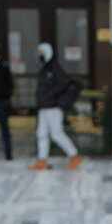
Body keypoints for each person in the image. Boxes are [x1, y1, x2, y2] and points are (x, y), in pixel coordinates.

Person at [28, 42, 83, 171]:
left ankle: (74, 156)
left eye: (43, 52)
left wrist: (50, 94)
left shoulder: (54, 67)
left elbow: (63, 82)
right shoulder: (43, 68)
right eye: (39, 52)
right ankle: (42, 160)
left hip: (53, 107)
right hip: (43, 106)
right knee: (41, 134)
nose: (41, 55)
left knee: (56, 134)